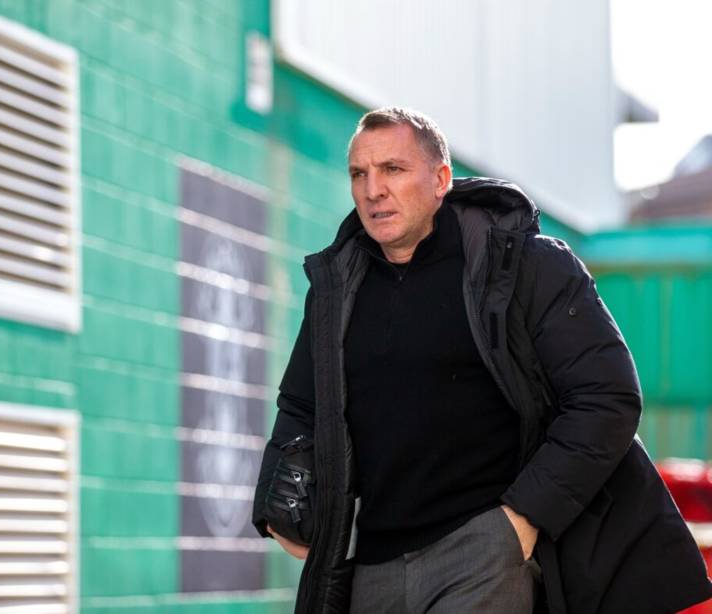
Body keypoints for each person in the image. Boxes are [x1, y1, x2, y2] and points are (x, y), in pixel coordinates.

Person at [253, 107, 712, 613]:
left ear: (440, 180)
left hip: (481, 549)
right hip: (372, 563)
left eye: (393, 169)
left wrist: (522, 520)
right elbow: (301, 405)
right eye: (359, 174)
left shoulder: (524, 267)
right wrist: (276, 505)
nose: (373, 190)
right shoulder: (337, 289)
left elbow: (608, 397)